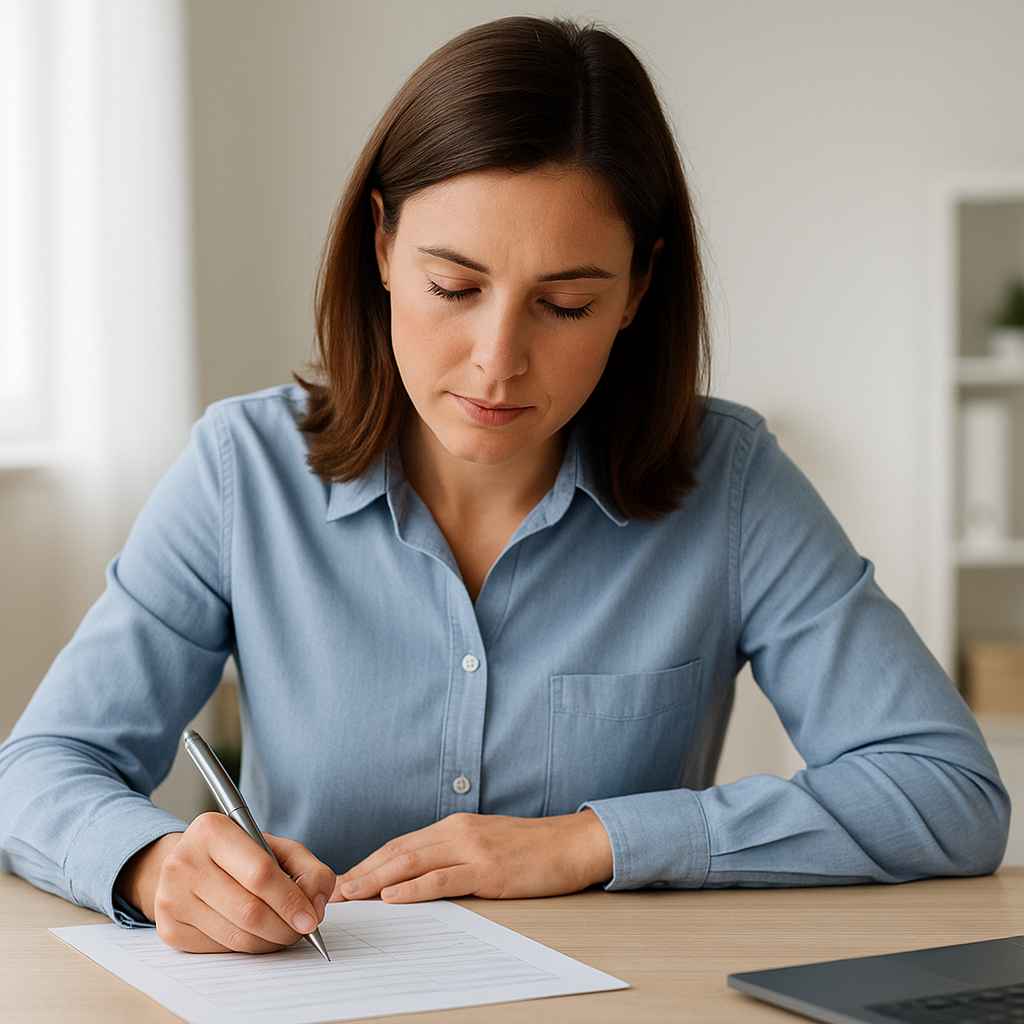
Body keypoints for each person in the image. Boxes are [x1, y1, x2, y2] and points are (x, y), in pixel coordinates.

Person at [0, 15, 1009, 957]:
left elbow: (944, 794)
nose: (496, 362)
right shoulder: (241, 471)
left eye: (564, 304)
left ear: (638, 291)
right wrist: (153, 862)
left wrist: (589, 842)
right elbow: (36, 774)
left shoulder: (732, 483)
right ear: (383, 246)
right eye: (454, 287)